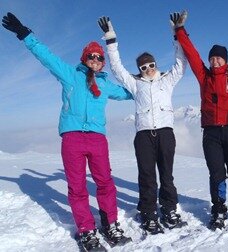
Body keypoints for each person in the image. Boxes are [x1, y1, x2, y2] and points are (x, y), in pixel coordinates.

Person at [2, 12, 133, 251]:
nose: (95, 59)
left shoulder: (105, 85)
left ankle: (110, 224)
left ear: (102, 62)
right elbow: (46, 56)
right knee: (77, 186)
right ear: (84, 59)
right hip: (72, 138)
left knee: (105, 182)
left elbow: (130, 93)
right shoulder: (70, 75)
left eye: (99, 57)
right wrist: (25, 34)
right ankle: (86, 230)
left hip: (97, 139)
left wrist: (145, 82)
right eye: (91, 56)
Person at [171, 11, 228, 230]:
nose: (214, 61)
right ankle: (219, 211)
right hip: (211, 133)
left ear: (225, 59)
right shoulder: (204, 77)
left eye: (218, 57)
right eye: (212, 57)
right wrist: (180, 30)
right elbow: (192, 55)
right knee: (217, 174)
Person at [97, 16, 187, 234]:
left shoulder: (167, 79)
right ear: (140, 68)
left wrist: (177, 33)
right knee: (146, 176)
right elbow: (117, 68)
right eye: (144, 66)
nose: (148, 68)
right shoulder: (135, 84)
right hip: (144, 135)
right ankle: (149, 214)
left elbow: (181, 63)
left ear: (156, 64)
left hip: (165, 132)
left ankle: (169, 210)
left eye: (151, 64)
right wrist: (111, 39)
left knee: (167, 174)